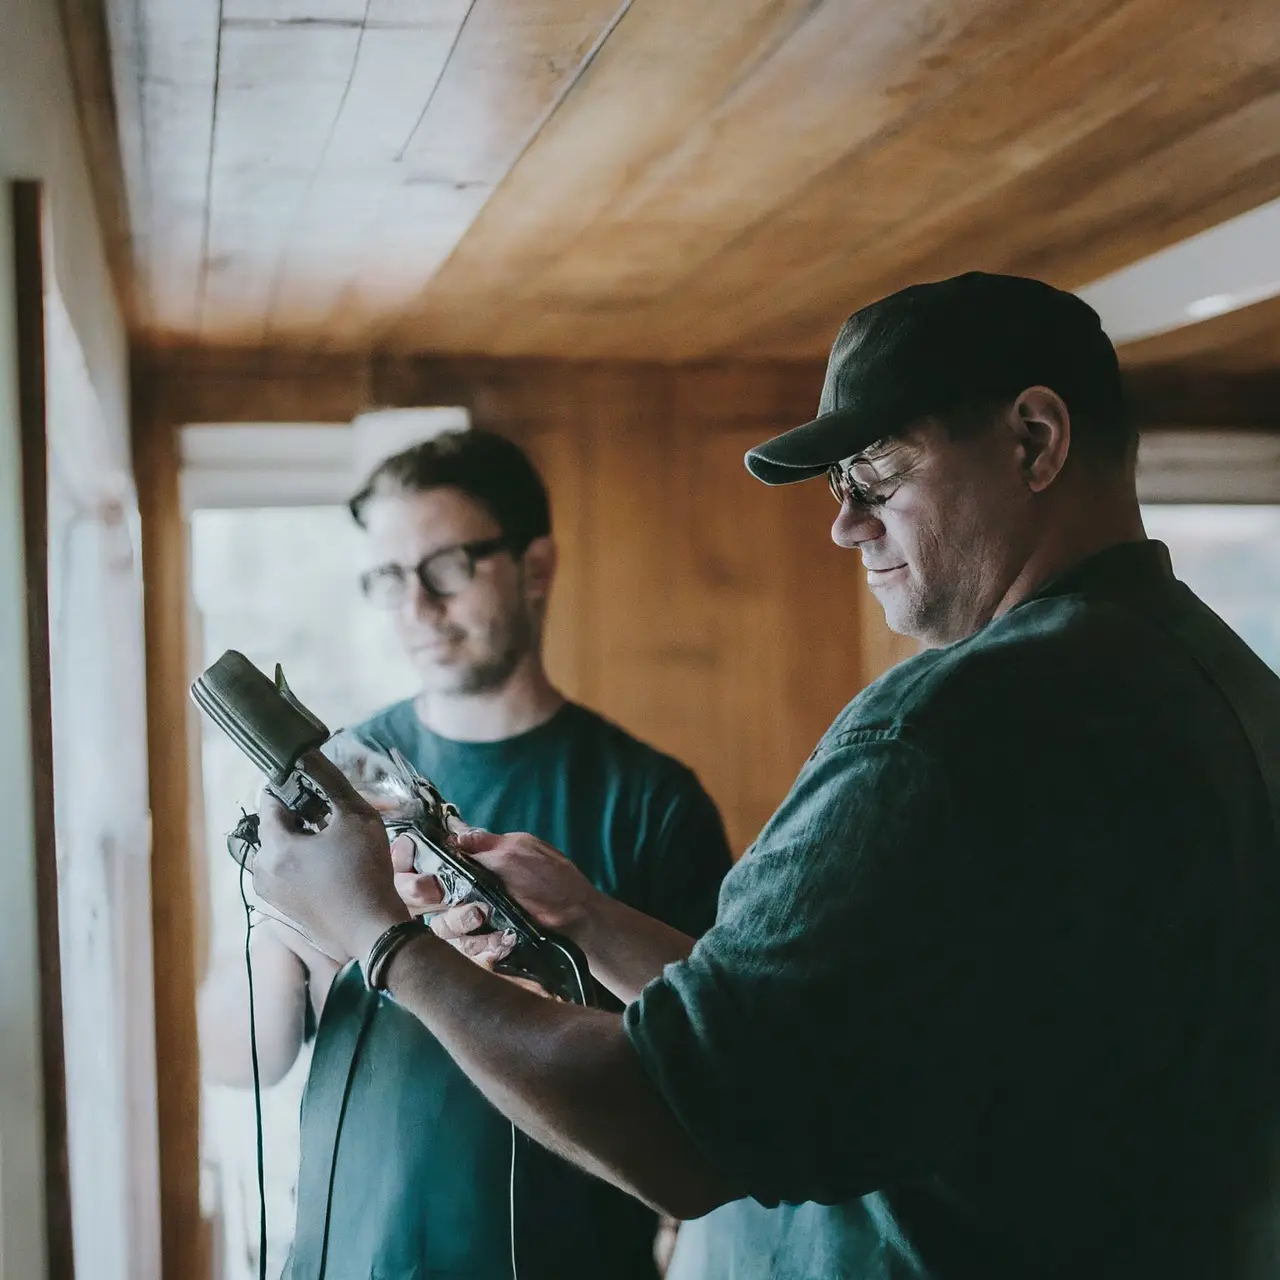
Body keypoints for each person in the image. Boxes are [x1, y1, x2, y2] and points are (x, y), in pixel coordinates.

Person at [250, 273, 1280, 1279]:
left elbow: (674, 1122)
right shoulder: (1234, 693)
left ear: (1032, 440)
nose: (843, 524)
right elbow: (805, 1039)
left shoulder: (943, 735)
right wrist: (589, 920)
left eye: (874, 474)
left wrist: (380, 937)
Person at [199, 429, 732, 1280]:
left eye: (447, 565)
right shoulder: (338, 784)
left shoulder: (651, 800)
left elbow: (710, 1076)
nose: (415, 604)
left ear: (535, 566)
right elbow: (237, 1058)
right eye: (388, 576)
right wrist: (296, 933)